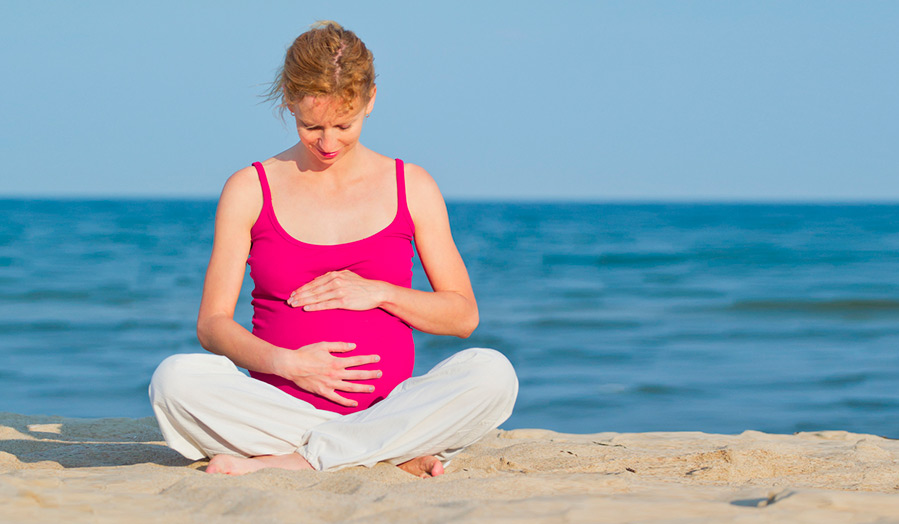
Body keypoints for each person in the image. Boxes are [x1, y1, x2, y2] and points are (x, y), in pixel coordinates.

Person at [149, 21, 518, 478]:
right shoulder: (250, 189)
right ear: (289, 103)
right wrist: (290, 365)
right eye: (311, 125)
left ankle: (304, 459)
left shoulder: (413, 186)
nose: (327, 143)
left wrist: (381, 293)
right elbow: (212, 326)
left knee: (492, 373)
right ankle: (379, 449)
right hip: (280, 409)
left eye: (344, 125)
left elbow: (462, 317)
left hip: (389, 405)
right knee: (174, 380)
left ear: (371, 101)